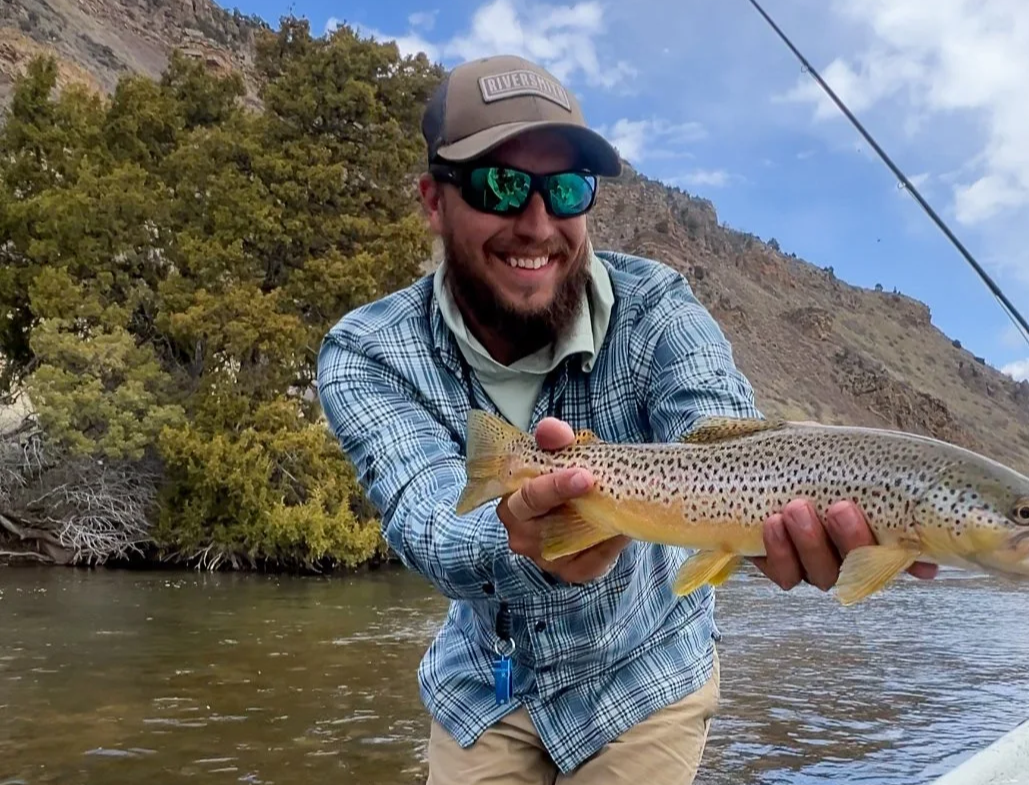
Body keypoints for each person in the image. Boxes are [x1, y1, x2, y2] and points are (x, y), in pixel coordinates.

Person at [316, 54, 937, 784]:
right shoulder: (367, 352)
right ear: (432, 199)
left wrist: (780, 507)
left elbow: (719, 422)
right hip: (484, 686)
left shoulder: (658, 307)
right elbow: (428, 524)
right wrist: (520, 536)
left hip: (646, 674)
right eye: (500, 184)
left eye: (567, 188)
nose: (537, 222)